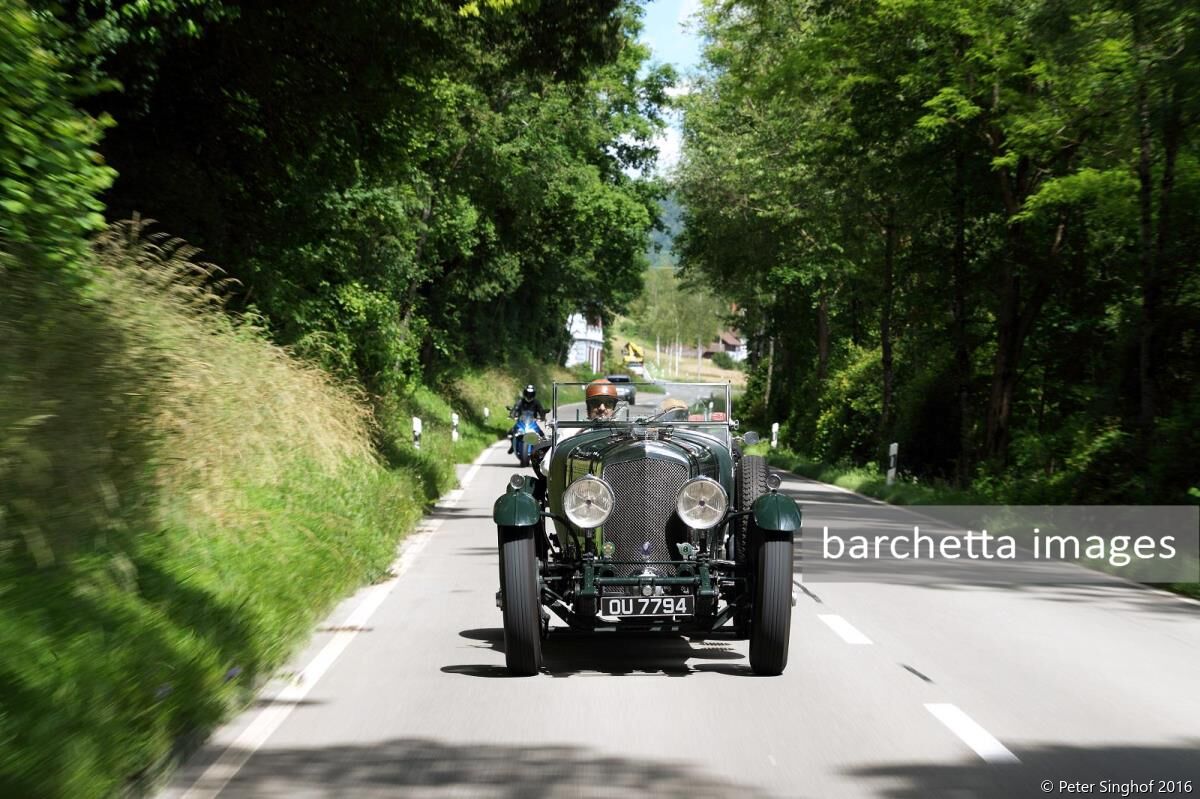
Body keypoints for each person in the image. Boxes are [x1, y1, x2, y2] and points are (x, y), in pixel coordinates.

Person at [507, 384, 548, 453]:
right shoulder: (520, 402)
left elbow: (541, 410)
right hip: (521, 421)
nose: (529, 395)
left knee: (542, 434)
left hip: (532, 422)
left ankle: (542, 450)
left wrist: (542, 417)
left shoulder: (536, 402)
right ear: (525, 393)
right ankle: (512, 446)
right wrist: (512, 414)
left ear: (533, 394)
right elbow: (515, 408)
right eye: (528, 393)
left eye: (531, 394)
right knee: (511, 432)